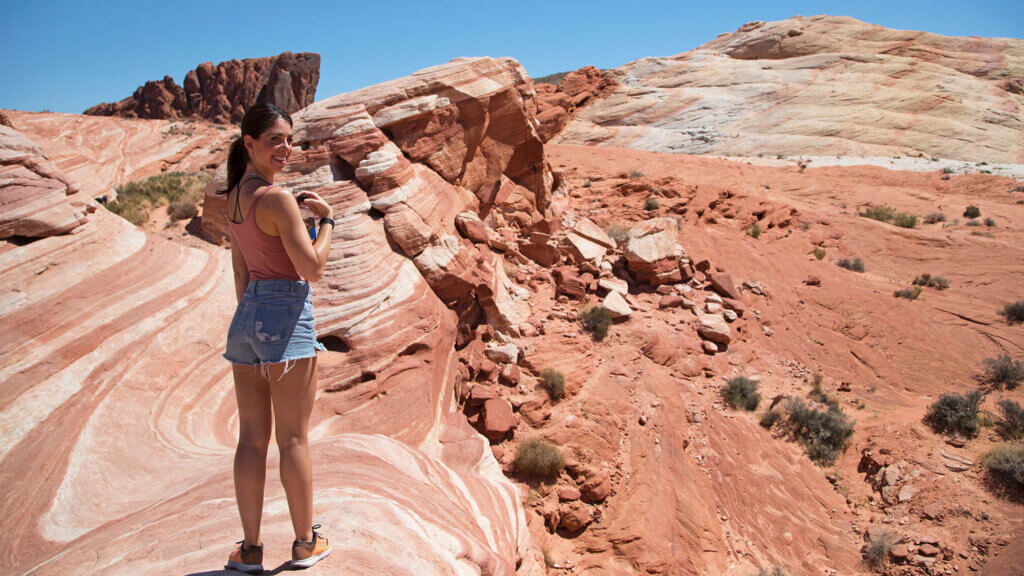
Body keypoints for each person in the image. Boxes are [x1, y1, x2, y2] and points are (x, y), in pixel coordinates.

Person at [219, 103, 334, 573]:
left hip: (247, 316)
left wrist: (251, 316)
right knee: (293, 440)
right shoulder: (278, 199)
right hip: (286, 314)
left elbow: (241, 268)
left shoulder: (232, 199)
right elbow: (312, 268)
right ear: (249, 143)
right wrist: (327, 222)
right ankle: (306, 543)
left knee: (250, 440)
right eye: (275, 139)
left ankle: (249, 550)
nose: (286, 148)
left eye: (290, 139)